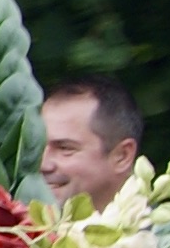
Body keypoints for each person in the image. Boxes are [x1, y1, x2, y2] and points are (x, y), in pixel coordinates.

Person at [38, 73, 143, 209]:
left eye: (65, 148)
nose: (43, 165)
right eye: (38, 147)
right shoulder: (14, 226)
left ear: (122, 156)